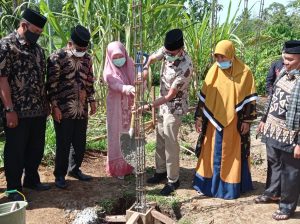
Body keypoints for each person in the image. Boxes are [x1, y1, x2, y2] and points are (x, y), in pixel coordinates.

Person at [193, 40, 257, 199]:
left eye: (223, 57)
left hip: (234, 124)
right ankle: (208, 186)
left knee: (231, 153)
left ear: (231, 54)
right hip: (213, 124)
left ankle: (228, 188)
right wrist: (199, 118)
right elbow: (204, 97)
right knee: (211, 151)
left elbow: (250, 100)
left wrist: (247, 121)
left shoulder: (245, 72)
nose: (220, 61)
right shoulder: (213, 71)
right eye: (217, 57)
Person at [0, 8, 50, 201]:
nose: (37, 36)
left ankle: (31, 179)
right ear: (24, 25)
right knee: (15, 150)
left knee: (36, 148)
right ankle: (13, 188)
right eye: (35, 32)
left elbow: (41, 79)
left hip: (37, 110)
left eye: (40, 33)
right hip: (17, 111)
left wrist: (45, 106)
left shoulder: (38, 50)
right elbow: (2, 80)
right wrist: (9, 109)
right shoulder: (6, 45)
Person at [141, 28, 193, 196]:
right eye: (166, 52)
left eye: (171, 53)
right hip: (163, 106)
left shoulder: (186, 66)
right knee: (160, 139)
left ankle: (173, 180)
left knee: (170, 143)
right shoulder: (167, 50)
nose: (167, 55)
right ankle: (160, 171)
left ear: (180, 50)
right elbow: (152, 57)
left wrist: (149, 106)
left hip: (174, 107)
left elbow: (171, 95)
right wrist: (146, 67)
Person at [47, 25, 96, 189]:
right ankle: (60, 175)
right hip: (63, 108)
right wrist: (54, 106)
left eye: (84, 48)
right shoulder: (57, 57)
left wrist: (92, 100)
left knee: (80, 142)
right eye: (79, 48)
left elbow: (89, 81)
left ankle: (74, 169)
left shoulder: (87, 59)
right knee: (63, 142)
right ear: (70, 43)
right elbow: (51, 85)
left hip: (81, 108)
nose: (82, 51)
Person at [255, 40, 300, 221]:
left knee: (291, 171)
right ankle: (273, 192)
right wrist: (264, 119)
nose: (285, 62)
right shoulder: (283, 72)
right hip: (273, 129)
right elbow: (273, 97)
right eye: (284, 58)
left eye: (290, 59)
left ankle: (287, 206)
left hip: (291, 135)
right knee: (273, 162)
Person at [103, 41, 135, 179]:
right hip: (115, 108)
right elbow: (115, 84)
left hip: (130, 107)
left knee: (130, 134)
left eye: (120, 56)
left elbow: (138, 81)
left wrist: (141, 82)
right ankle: (118, 168)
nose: (118, 60)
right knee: (117, 135)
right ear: (109, 57)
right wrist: (127, 88)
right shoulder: (108, 71)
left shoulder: (131, 65)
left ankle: (130, 165)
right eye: (114, 57)